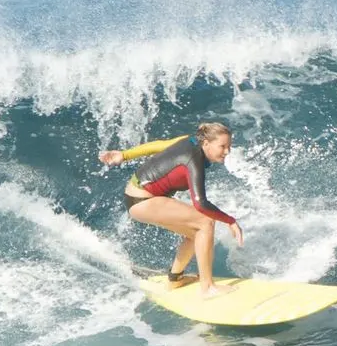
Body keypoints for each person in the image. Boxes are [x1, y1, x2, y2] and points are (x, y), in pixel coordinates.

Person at [99, 122, 244, 298]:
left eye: (229, 146)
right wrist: (230, 221)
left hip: (140, 196)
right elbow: (200, 203)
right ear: (206, 143)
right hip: (143, 199)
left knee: (196, 232)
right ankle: (207, 288)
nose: (227, 151)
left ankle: (175, 279)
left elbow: (159, 145)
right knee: (205, 222)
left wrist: (124, 155)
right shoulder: (193, 159)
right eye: (222, 146)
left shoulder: (190, 141)